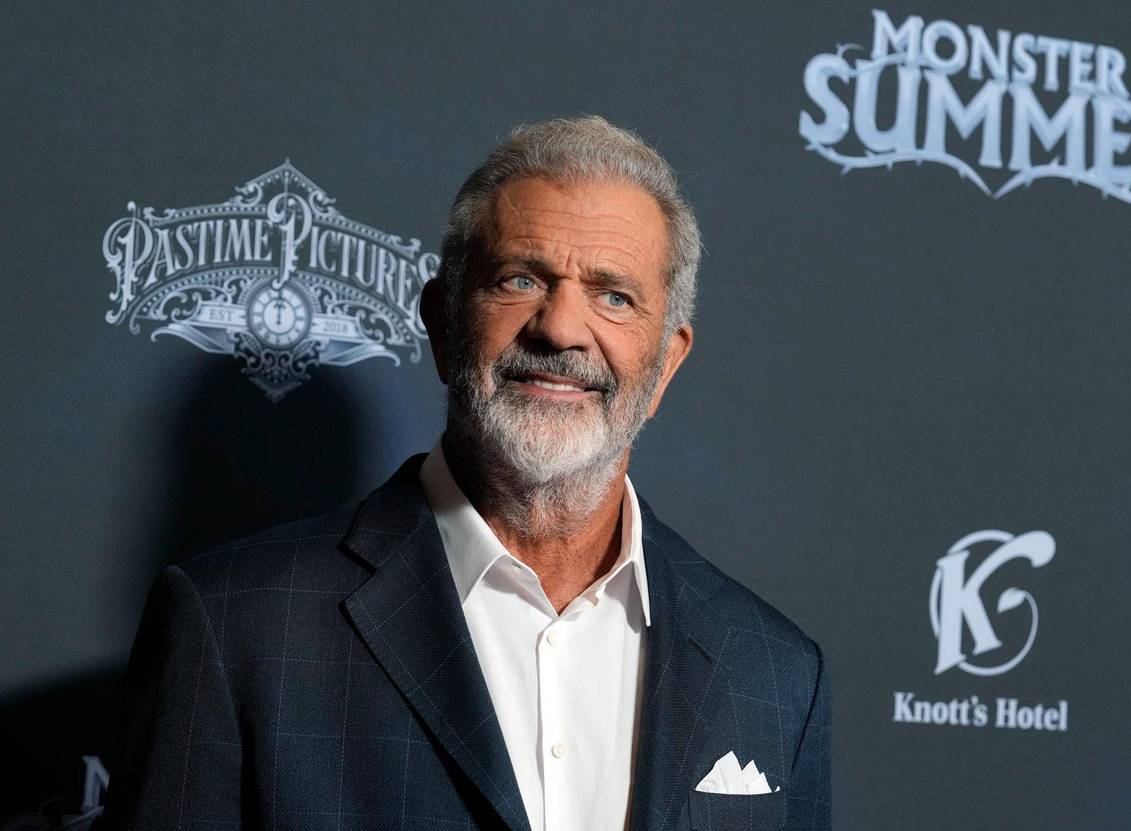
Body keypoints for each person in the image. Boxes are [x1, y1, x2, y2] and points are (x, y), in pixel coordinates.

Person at [104, 116, 831, 831]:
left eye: (614, 295)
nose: (560, 328)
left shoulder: (772, 670)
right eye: (521, 279)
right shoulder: (236, 627)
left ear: (666, 363)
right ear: (443, 325)